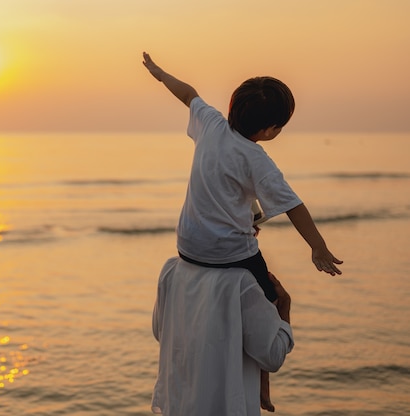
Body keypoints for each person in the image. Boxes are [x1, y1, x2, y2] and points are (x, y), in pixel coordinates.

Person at [142, 52, 343, 410]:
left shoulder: (211, 123)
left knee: (246, 209)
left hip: (188, 247)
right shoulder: (257, 160)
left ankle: (246, 223)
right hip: (226, 256)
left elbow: (188, 93)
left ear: (233, 107)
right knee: (268, 295)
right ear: (270, 130)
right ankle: (264, 389)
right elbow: (293, 205)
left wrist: (160, 74)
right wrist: (318, 247)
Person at [151, 258, 293, 415]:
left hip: (180, 407)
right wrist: (284, 307)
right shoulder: (241, 282)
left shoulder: (171, 270)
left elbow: (160, 332)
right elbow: (273, 356)